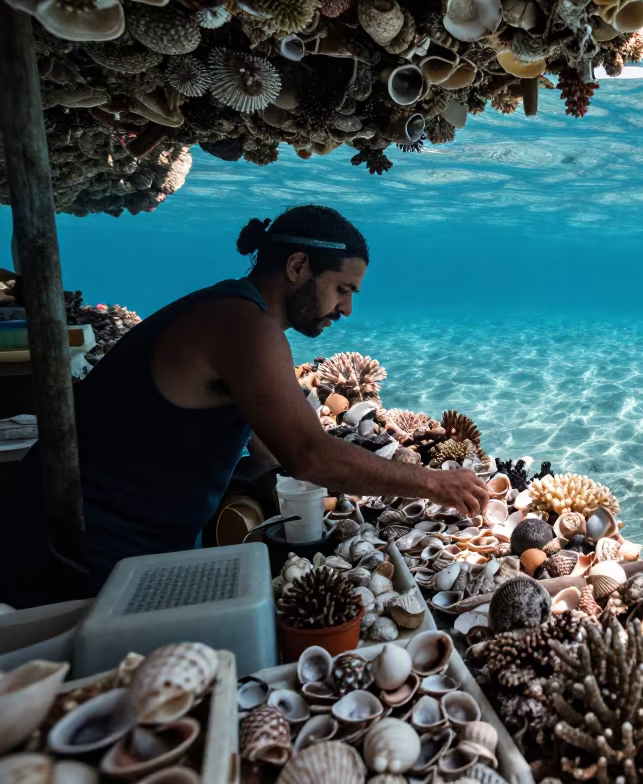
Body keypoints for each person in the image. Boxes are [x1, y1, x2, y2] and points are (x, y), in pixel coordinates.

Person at [2, 205, 487, 608]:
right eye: (343, 289)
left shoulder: (234, 311)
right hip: (82, 548)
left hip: (117, 540)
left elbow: (269, 444)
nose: (347, 310)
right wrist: (432, 482)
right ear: (298, 267)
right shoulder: (245, 326)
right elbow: (309, 455)